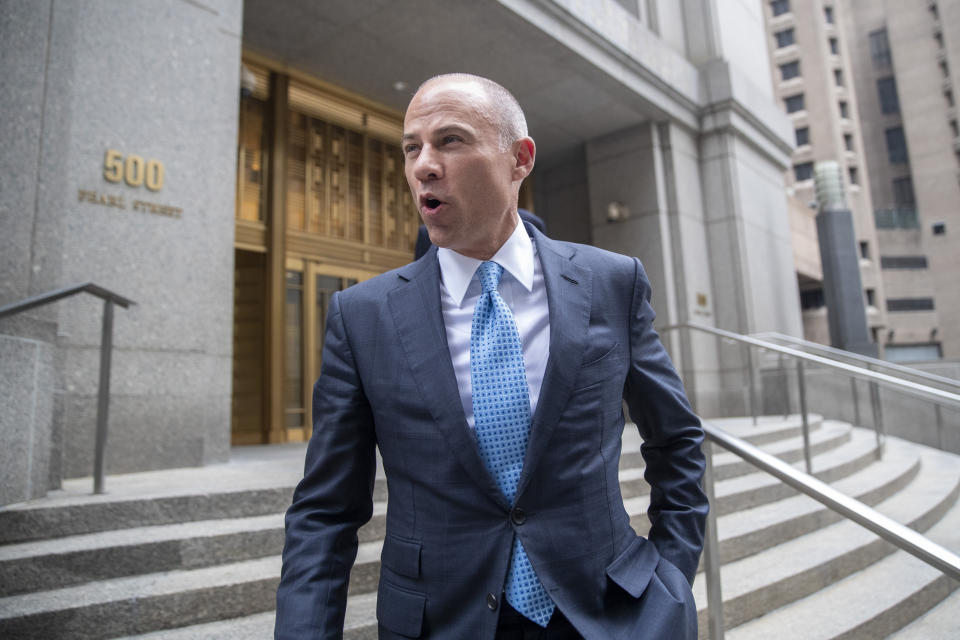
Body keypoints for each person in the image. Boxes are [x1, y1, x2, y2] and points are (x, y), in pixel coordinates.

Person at [275, 73, 708, 640]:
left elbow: (676, 440)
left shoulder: (611, 283)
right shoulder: (362, 317)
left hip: (609, 614)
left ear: (519, 159)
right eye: (412, 147)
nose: (423, 165)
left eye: (450, 141)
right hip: (442, 622)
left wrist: (669, 580)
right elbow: (325, 512)